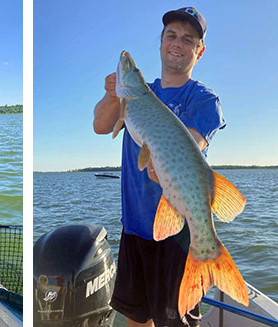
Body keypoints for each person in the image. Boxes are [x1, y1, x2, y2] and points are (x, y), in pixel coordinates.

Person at [93, 7, 226, 327]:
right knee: (136, 317)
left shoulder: (204, 98)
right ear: (161, 42)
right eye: (171, 35)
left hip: (178, 233)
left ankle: (209, 255)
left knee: (175, 322)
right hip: (135, 228)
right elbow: (100, 125)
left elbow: (192, 144)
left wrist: (159, 163)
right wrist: (113, 95)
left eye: (188, 38)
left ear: (199, 50)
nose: (177, 43)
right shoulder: (137, 95)